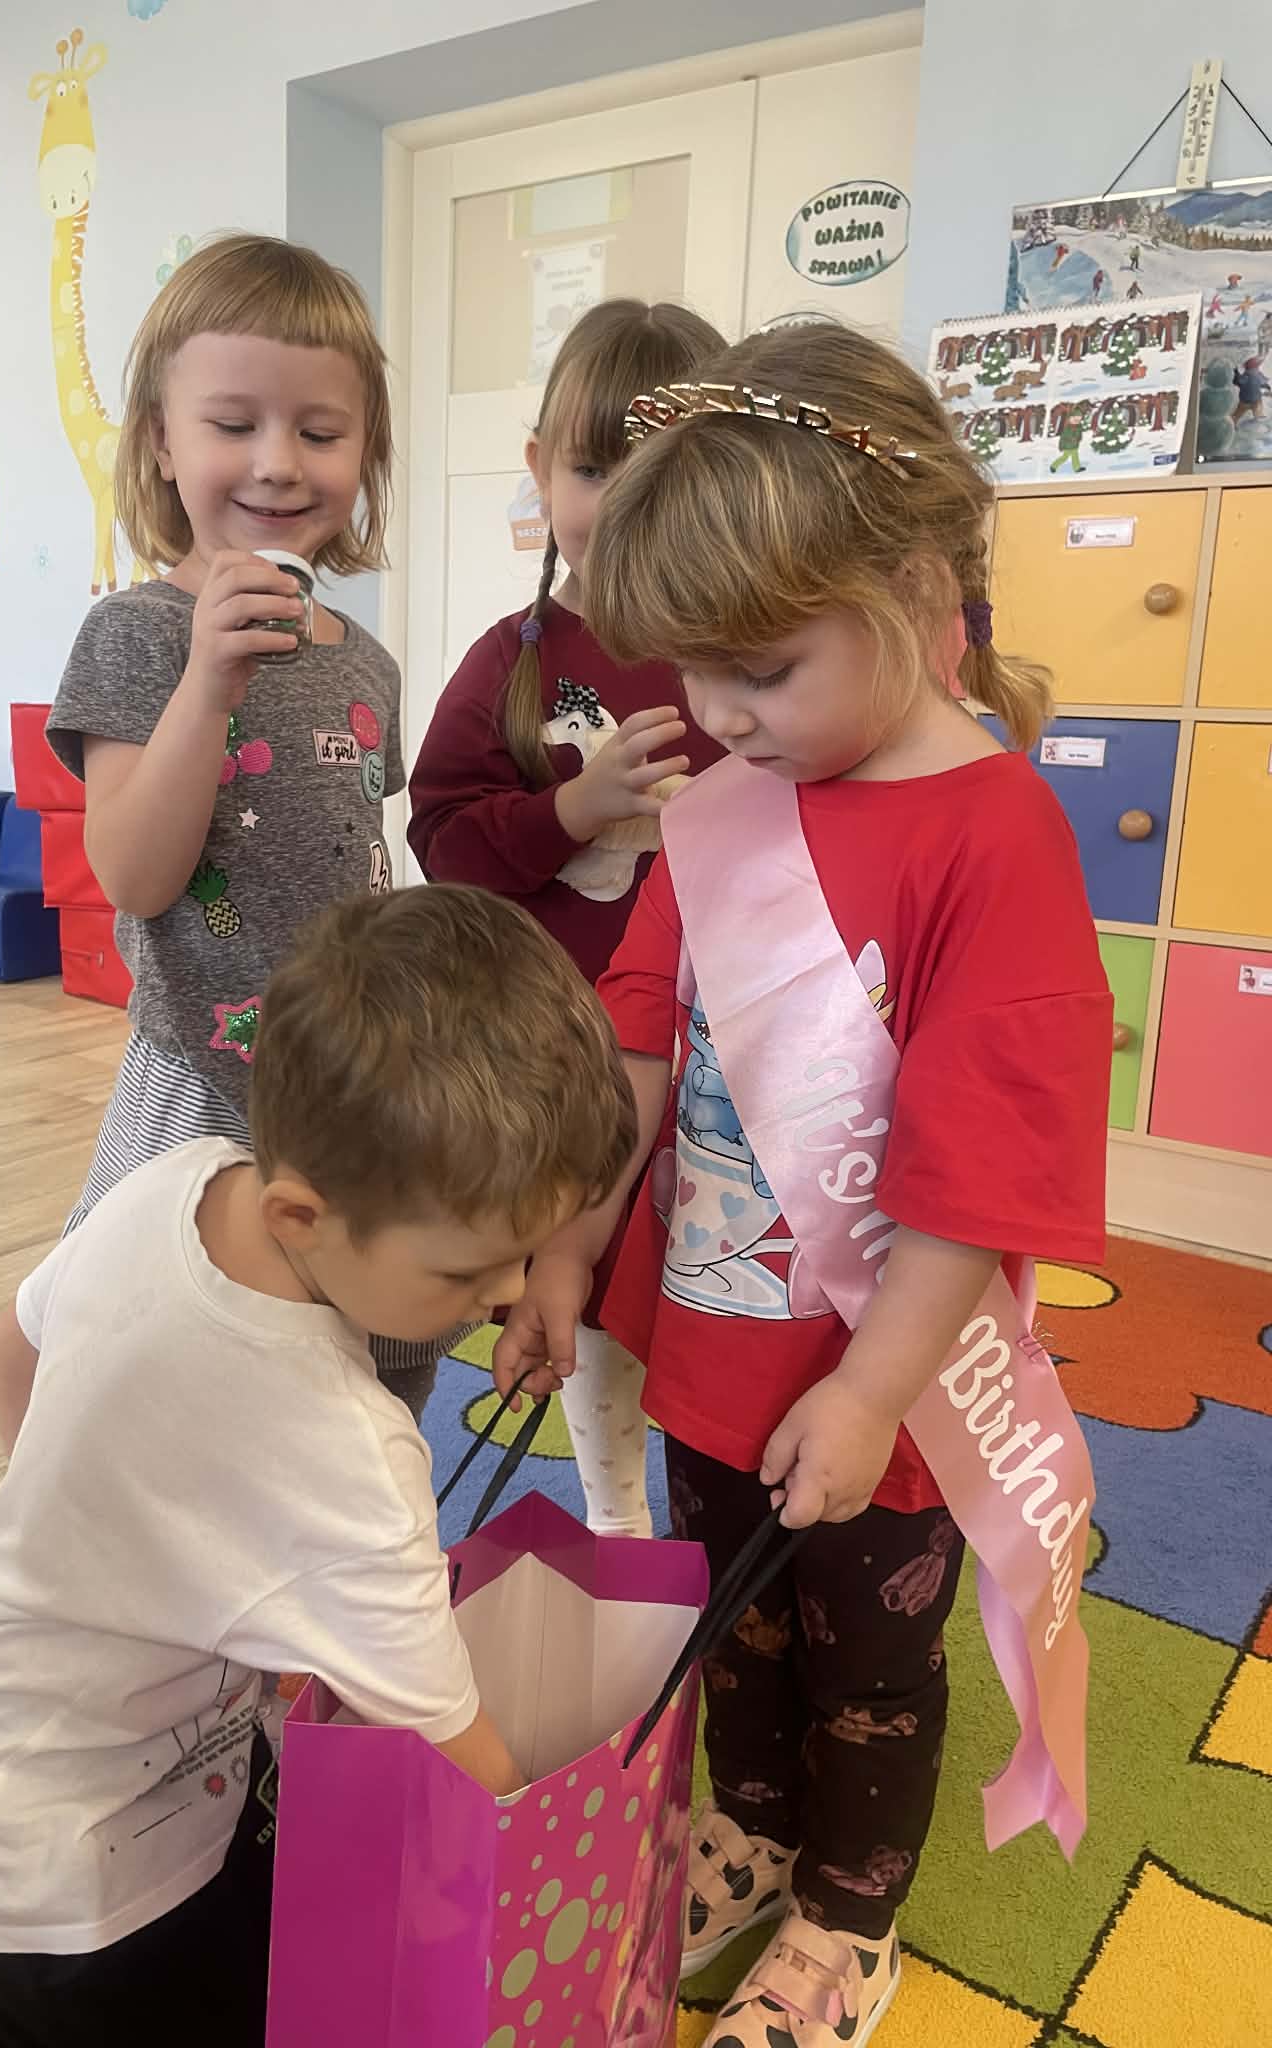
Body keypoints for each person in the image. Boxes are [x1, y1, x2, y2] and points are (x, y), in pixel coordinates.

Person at [493, 323, 1111, 2047]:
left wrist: (869, 1391)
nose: (715, 715)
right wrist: (568, 1245)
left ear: (911, 593)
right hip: (702, 1342)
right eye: (695, 669)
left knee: (868, 1674)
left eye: (759, 667)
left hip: (880, 1386)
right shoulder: (734, 790)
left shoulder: (995, 834)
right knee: (736, 1630)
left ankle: (847, 1920)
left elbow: (983, 1177)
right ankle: (754, 1835)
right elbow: (639, 1035)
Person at [0, 885, 639, 2048]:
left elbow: (9, 1349)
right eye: (466, 1270)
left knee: (257, 1947)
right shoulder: (346, 1444)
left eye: (523, 1256)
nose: (505, 1296)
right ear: (303, 1213)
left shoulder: (176, 1179)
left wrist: (96, 1533)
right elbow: (450, 1737)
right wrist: (594, 1841)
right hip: (52, 1870)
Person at [0, 232, 444, 1438]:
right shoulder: (137, 636)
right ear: (160, 441)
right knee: (113, 1337)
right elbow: (134, 875)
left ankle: (351, 1520)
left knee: (368, 1348)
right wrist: (207, 683)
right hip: (198, 1071)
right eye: (234, 424)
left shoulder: (367, 661)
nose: (278, 462)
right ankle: (94, 1527)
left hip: (350, 1072)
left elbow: (361, 859)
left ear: (365, 453)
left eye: (321, 431)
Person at [407, 297, 725, 1538]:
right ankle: (613, 1513)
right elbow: (444, 840)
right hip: (567, 1060)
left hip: (721, 1061)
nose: (627, 504)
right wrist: (575, 807)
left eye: (664, 473)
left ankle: (712, 1502)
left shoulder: (750, 659)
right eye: (596, 469)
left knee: (703, 1280)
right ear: (541, 470)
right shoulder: (515, 659)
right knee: (575, 1287)